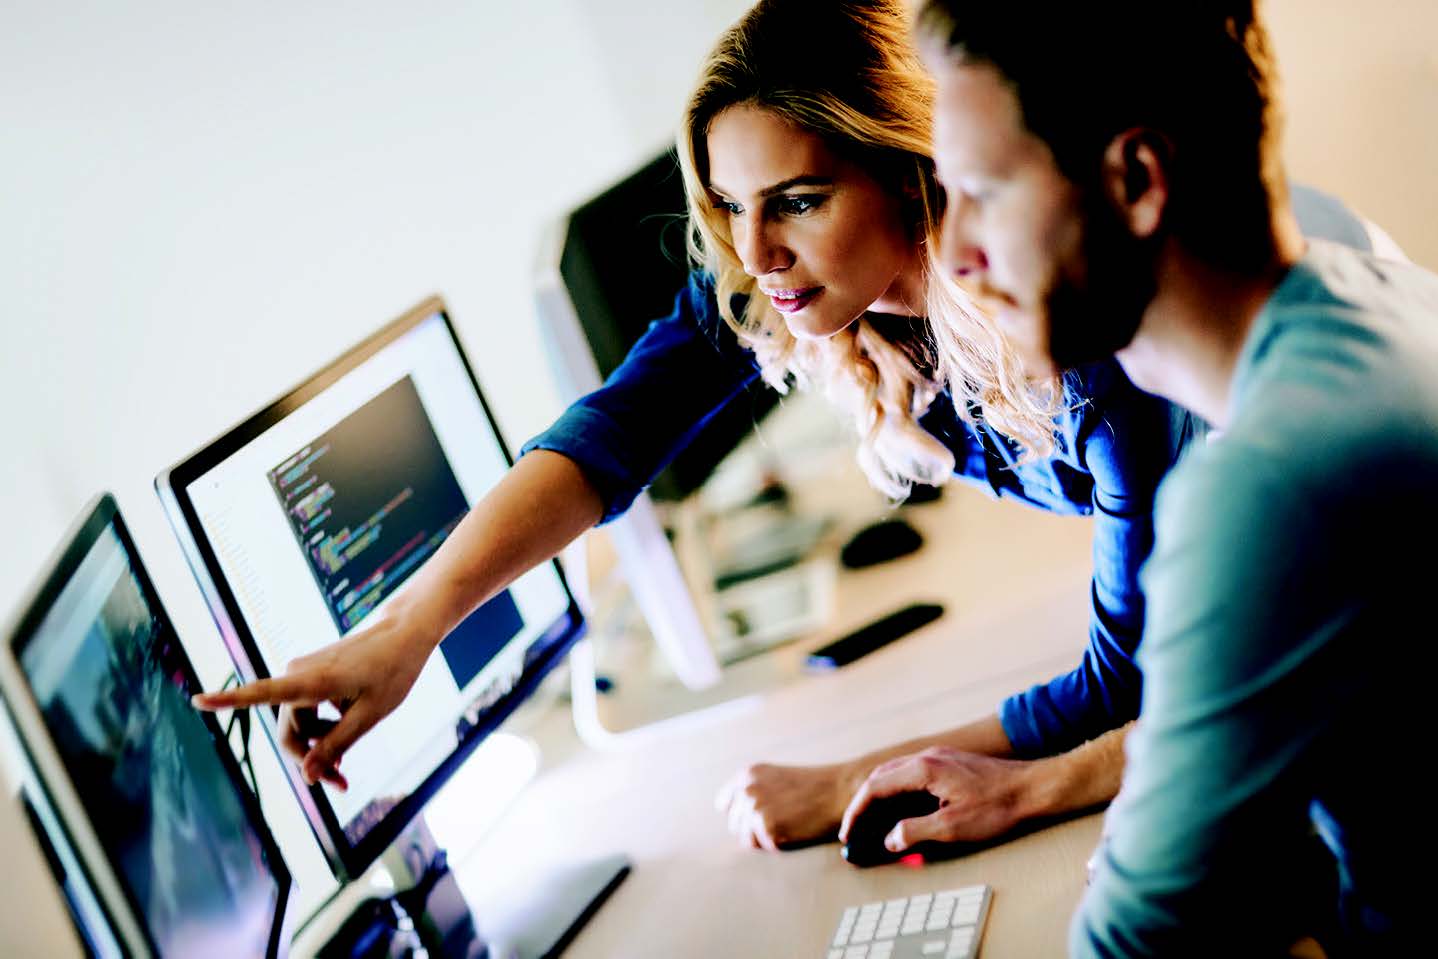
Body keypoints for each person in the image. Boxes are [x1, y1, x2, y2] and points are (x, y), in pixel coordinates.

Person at [193, 0, 1364, 864]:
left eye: (799, 199)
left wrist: (852, 778)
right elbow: (610, 434)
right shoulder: (800, 288)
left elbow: (1130, 679)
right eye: (728, 205)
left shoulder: (1079, 321)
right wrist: (410, 627)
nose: (754, 255)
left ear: (911, 171)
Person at [897, 1, 1436, 953]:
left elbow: (1134, 945)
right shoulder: (1380, 295)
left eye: (984, 191)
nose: (959, 255)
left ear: (1137, 180)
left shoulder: (1270, 483)